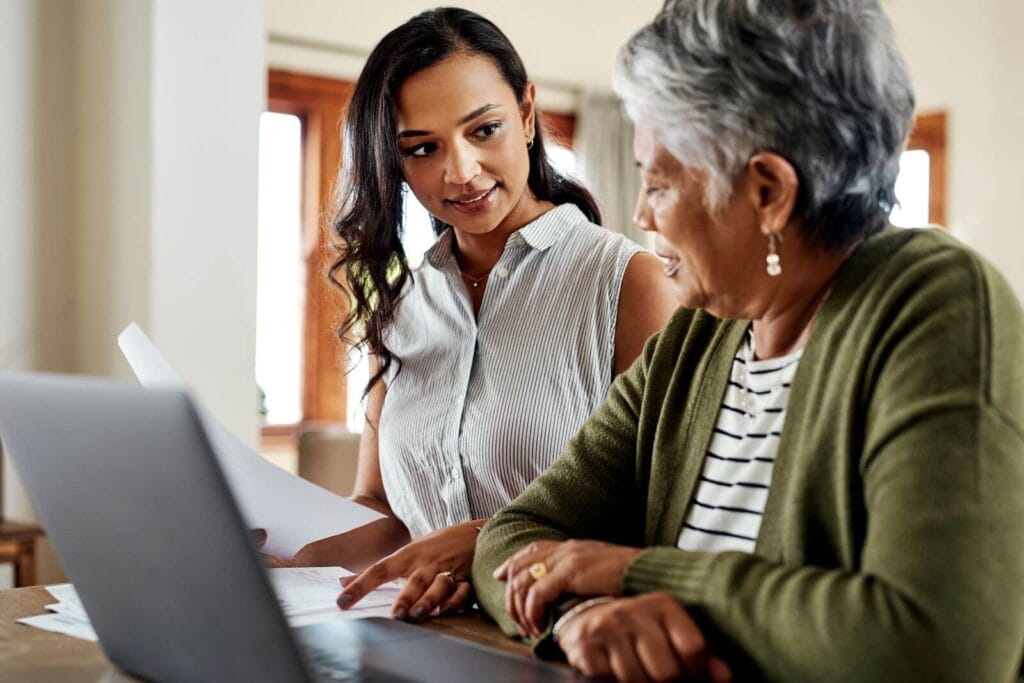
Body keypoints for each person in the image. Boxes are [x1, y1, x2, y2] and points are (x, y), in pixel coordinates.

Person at [472, 1, 1024, 681]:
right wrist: (578, 613)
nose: (640, 213)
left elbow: (939, 647)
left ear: (768, 191)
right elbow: (514, 535)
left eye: (658, 181)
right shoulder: (699, 337)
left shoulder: (932, 302)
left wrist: (641, 573)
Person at [264, 7, 677, 624]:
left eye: (484, 130)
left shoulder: (627, 284)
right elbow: (384, 511)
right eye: (423, 148)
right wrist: (294, 560)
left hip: (565, 637)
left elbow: (659, 512)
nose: (460, 171)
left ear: (528, 115)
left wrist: (486, 544)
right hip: (427, 638)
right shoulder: (399, 309)